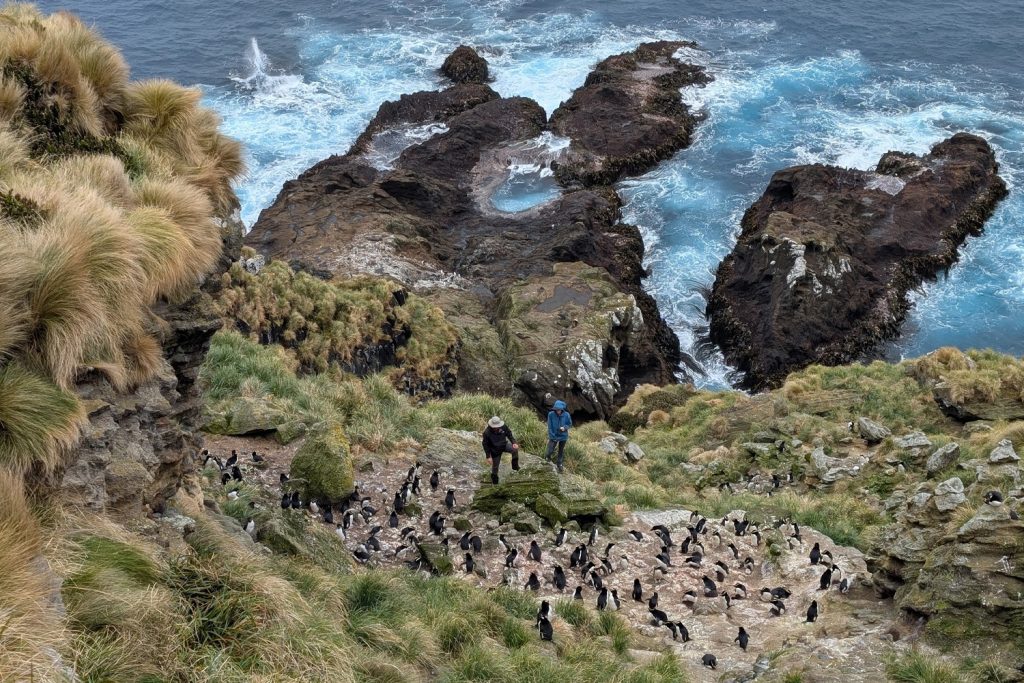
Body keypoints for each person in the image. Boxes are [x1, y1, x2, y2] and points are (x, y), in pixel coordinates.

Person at [482, 416, 519, 485]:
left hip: (504, 445)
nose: (497, 428)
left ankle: (515, 468)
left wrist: (514, 442)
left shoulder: (503, 426)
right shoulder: (487, 433)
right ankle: (495, 483)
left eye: (498, 426)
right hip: (495, 451)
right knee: (495, 468)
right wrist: (488, 456)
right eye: (495, 427)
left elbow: (509, 433)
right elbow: (485, 445)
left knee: (514, 450)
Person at [545, 400, 572, 473]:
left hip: (563, 436)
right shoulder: (551, 414)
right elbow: (549, 426)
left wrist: (564, 427)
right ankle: (548, 459)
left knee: (561, 451)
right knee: (549, 451)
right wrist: (552, 437)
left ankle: (559, 464)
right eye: (556, 409)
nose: (558, 411)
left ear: (562, 409)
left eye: (559, 410)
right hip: (554, 436)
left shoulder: (567, 415)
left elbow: (569, 424)